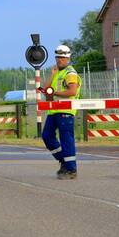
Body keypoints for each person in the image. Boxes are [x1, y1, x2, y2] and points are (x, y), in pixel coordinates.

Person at [42, 45, 82, 179]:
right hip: (53, 111)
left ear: (68, 58)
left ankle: (71, 170)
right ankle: (64, 160)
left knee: (66, 140)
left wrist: (55, 93)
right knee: (47, 136)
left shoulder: (70, 73)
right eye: (58, 57)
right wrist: (52, 75)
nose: (59, 60)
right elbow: (45, 90)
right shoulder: (57, 72)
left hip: (66, 111)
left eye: (62, 57)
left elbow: (72, 91)